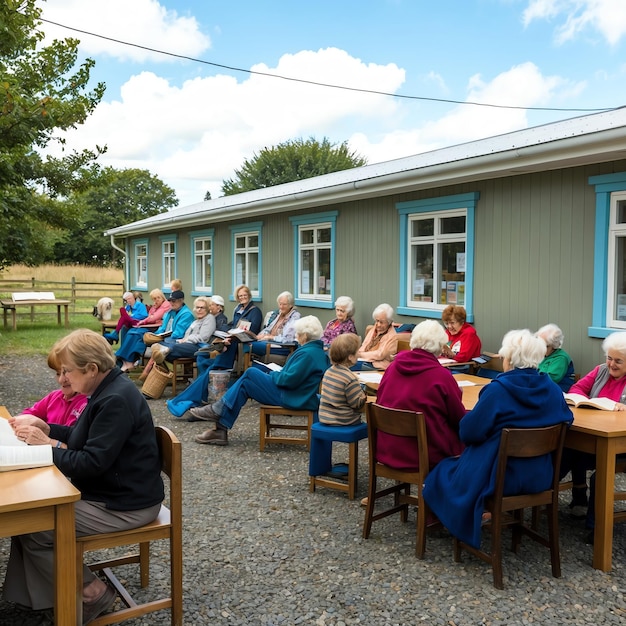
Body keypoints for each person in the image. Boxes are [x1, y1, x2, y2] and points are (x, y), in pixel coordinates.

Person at [3, 329, 164, 622]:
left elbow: (91, 462)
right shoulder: (107, 389)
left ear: (91, 369)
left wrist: (44, 448)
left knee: (36, 525)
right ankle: (50, 597)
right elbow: (82, 438)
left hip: (126, 505)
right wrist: (49, 429)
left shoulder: (114, 399)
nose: (63, 378)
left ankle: (91, 592)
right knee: (31, 517)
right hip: (115, 493)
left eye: (67, 371)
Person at [423, 329, 573, 549]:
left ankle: (462, 519)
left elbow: (469, 433)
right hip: (540, 476)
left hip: (498, 477)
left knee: (443, 471)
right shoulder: (552, 390)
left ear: (510, 359)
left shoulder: (498, 390)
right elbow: (566, 420)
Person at [191, 316, 330, 446]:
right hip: (297, 395)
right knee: (246, 384)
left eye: (298, 333)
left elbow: (287, 380)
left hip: (291, 396)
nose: (296, 336)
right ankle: (220, 429)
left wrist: (273, 373)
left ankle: (218, 412)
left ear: (305, 336)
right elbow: (295, 377)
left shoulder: (307, 354)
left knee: (251, 373)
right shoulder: (316, 352)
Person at [375, 319, 466, 471]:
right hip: (424, 454)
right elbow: (459, 420)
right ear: (439, 346)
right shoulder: (441, 376)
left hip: (388, 449)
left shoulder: (392, 367)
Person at [559, 331, 626, 538]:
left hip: (620, 443)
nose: (611, 364)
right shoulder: (600, 370)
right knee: (566, 448)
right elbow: (577, 388)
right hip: (597, 432)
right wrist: (588, 401)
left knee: (600, 475)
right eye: (609, 358)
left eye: (618, 361)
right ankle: (539, 496)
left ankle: (595, 528)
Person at [165, 285, 263, 418]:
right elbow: (233, 326)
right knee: (208, 367)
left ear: (249, 295)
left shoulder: (255, 311)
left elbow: (254, 331)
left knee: (210, 366)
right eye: (240, 295)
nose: (242, 297)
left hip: (244, 342)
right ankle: (184, 402)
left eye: (244, 295)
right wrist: (229, 335)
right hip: (232, 341)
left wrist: (235, 335)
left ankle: (182, 402)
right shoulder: (238, 309)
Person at [13, 350, 88, 427]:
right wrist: (22, 420)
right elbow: (32, 412)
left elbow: (70, 434)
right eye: (58, 374)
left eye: (67, 373)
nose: (61, 380)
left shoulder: (85, 404)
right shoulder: (55, 396)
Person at [133, 290, 195, 376]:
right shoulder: (170, 312)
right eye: (170, 301)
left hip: (177, 340)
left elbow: (178, 333)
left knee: (156, 346)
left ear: (181, 300)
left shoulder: (187, 314)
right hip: (166, 338)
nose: (171, 303)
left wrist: (161, 338)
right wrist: (156, 335)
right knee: (142, 337)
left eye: (174, 301)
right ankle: (136, 362)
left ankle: (152, 371)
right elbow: (162, 328)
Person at [114, 288, 171, 370]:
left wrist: (143, 322)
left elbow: (153, 317)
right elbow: (150, 316)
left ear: (161, 297)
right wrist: (146, 319)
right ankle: (124, 358)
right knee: (131, 331)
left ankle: (127, 360)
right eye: (154, 299)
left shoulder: (165, 305)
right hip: (151, 326)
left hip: (157, 329)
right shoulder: (157, 306)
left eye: (157, 298)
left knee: (136, 334)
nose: (155, 301)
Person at [319, 333, 366, 426]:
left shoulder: (329, 371)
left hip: (325, 417)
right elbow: (356, 404)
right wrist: (364, 394)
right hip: (344, 420)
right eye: (357, 351)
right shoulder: (350, 378)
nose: (359, 354)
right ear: (350, 357)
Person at [151, 296, 216, 364]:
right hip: (187, 344)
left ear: (207, 309)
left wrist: (186, 339)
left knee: (174, 347)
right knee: (164, 343)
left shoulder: (209, 318)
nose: (199, 310)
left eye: (202, 308)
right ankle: (163, 351)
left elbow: (203, 337)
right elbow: (187, 334)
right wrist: (183, 340)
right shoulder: (196, 321)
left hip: (199, 347)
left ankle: (163, 351)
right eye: (197, 307)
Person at [246, 291, 300, 362]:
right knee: (244, 342)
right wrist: (262, 335)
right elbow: (269, 328)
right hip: (269, 342)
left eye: (284, 304)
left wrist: (272, 337)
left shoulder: (295, 317)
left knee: (248, 346)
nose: (281, 307)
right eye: (280, 304)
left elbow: (288, 339)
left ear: (291, 305)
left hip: (281, 346)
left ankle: (241, 369)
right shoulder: (279, 314)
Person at [352, 303, 398, 371]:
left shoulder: (392, 336)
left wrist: (360, 355)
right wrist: (357, 354)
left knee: (349, 366)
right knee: (344, 361)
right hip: (365, 361)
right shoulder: (373, 329)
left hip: (377, 366)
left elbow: (380, 355)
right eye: (377, 321)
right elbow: (364, 346)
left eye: (381, 322)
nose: (378, 325)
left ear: (389, 322)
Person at [536, 323, 575, 391]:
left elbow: (550, 380)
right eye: (540, 344)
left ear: (554, 345)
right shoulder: (540, 354)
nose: (541, 348)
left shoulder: (561, 358)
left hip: (557, 391)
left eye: (546, 346)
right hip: (541, 387)